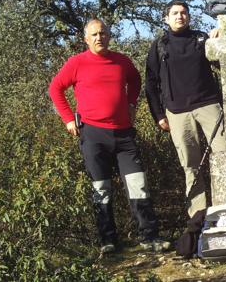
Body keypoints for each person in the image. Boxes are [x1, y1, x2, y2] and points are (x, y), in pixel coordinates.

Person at [49, 19, 169, 254]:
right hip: (93, 134)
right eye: (93, 34)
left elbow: (135, 80)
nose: (99, 37)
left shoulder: (121, 61)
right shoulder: (77, 63)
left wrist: (132, 103)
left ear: (109, 36)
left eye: (103, 33)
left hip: (124, 134)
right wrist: (67, 118)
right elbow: (55, 88)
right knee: (101, 188)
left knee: (138, 185)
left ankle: (149, 237)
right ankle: (108, 241)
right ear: (86, 39)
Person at [145, 0, 226, 218]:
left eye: (183, 12)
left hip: (208, 104)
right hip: (177, 111)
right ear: (166, 18)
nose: (180, 16)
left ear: (189, 16)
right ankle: (199, 217)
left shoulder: (201, 39)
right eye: (174, 13)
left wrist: (220, 39)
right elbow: (150, 83)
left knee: (224, 155)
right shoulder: (159, 45)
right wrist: (159, 115)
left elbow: (221, 62)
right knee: (191, 166)